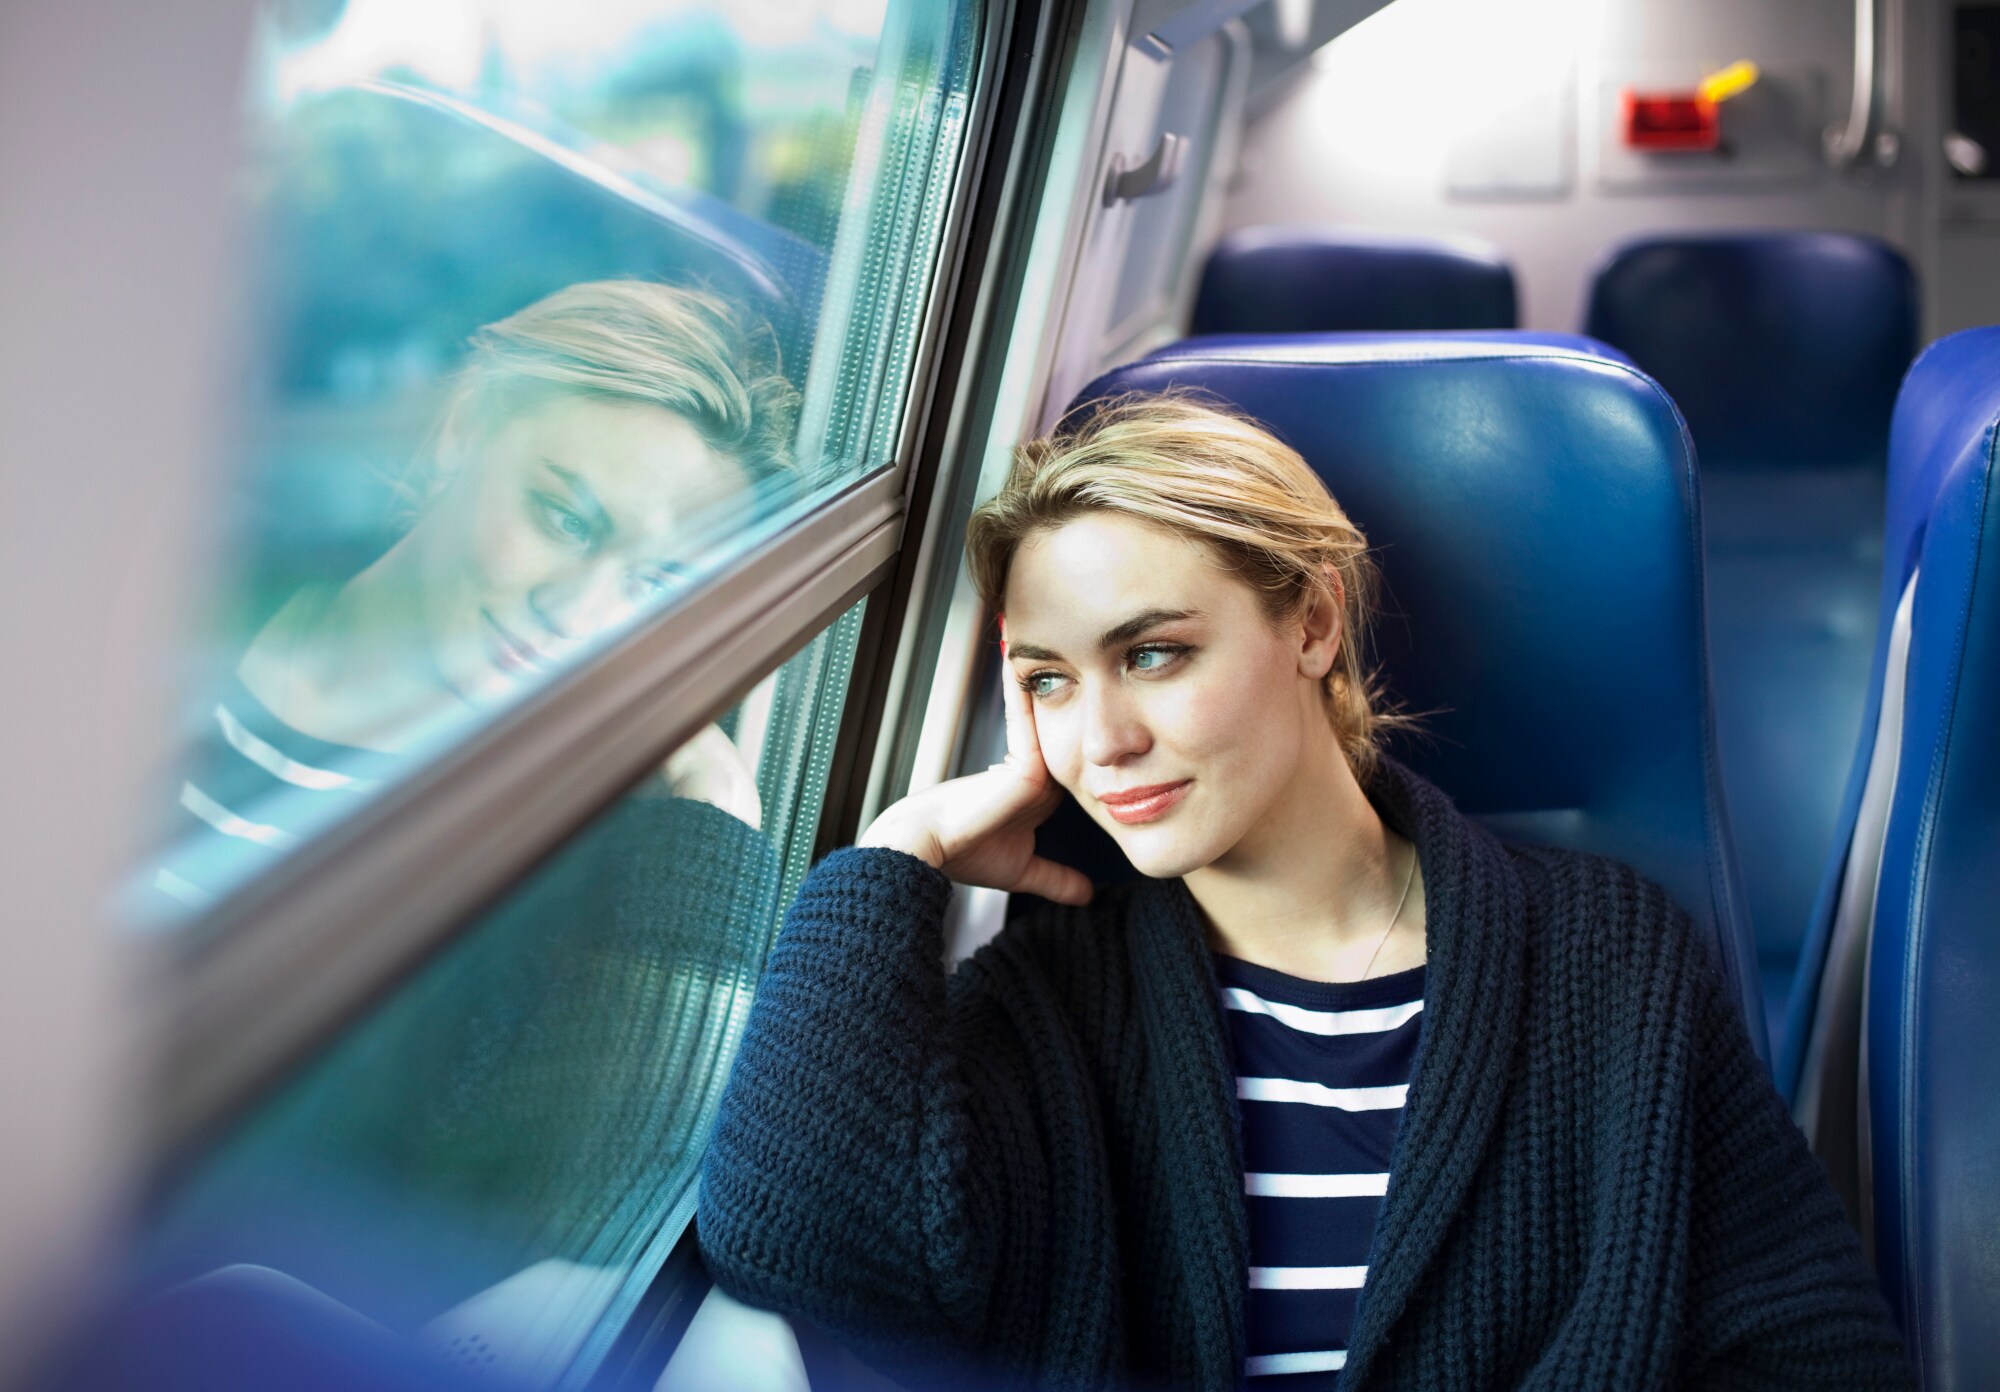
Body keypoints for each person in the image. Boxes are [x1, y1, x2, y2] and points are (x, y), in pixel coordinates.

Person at [698, 394, 1914, 1390]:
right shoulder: (1047, 993)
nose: (1101, 738)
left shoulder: (1602, 955)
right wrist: (896, 859)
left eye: (1152, 653)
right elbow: (792, 1245)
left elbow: (1812, 1351)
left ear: (1313, 621)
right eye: (1049, 681)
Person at [150, 278, 794, 916]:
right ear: (465, 429)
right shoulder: (175, 606)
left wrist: (708, 832)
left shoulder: (562, 859)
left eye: (655, 584)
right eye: (567, 520)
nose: (577, 617)